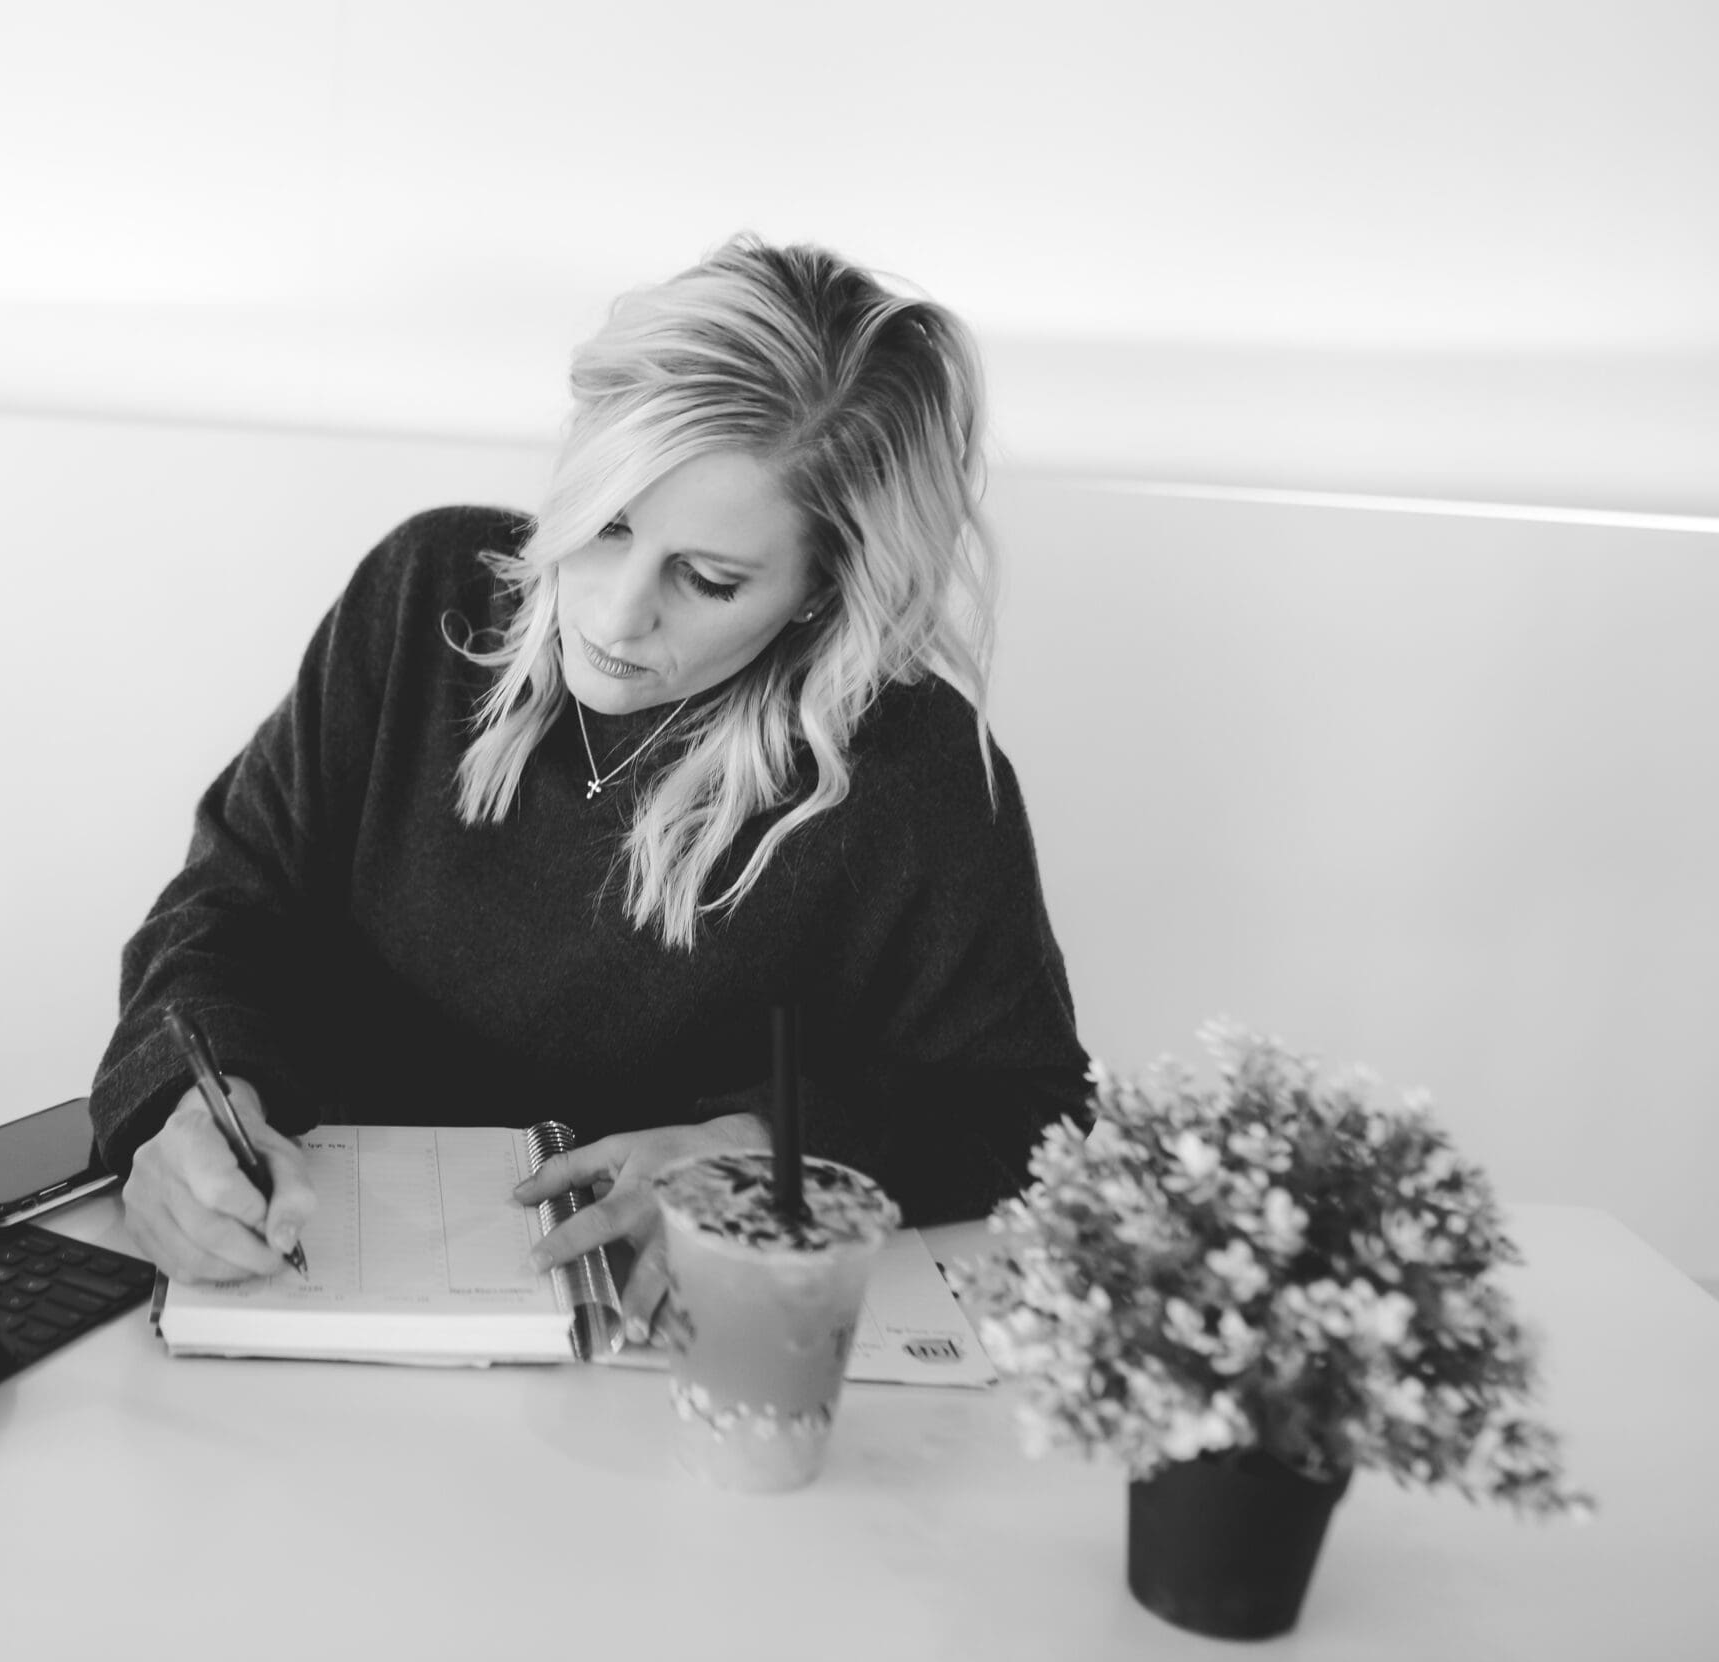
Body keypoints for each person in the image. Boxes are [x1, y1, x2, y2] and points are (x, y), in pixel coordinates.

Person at [89, 235, 1089, 1333]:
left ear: (821, 590)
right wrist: (192, 1102)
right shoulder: (428, 597)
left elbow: (1025, 1108)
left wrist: (763, 1154)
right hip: (314, 1292)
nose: (613, 617)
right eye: (604, 526)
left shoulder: (912, 772)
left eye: (708, 580)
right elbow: (231, 906)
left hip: (663, 1358)